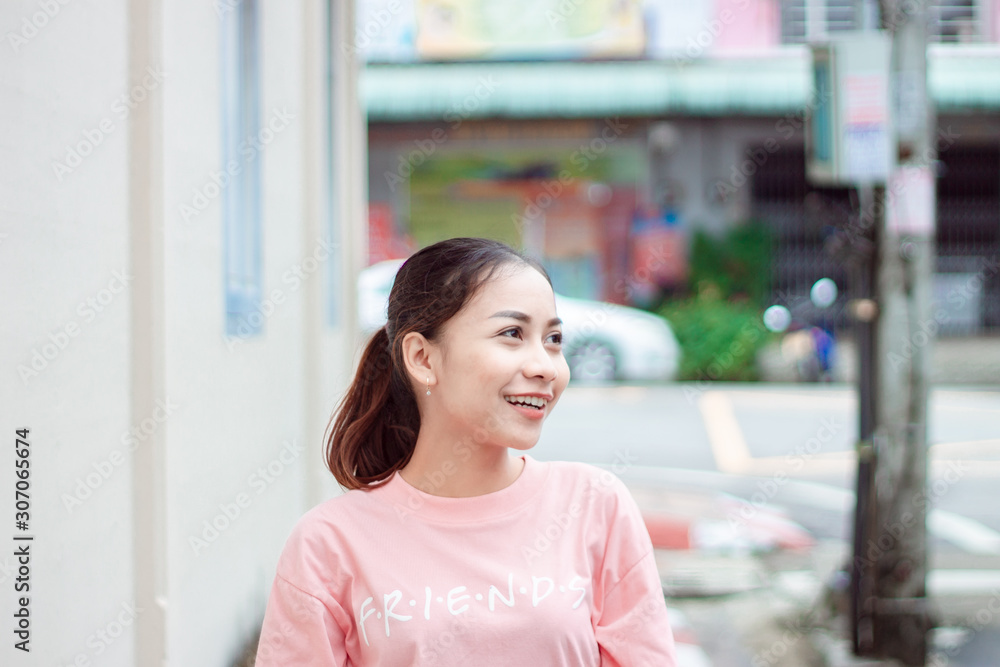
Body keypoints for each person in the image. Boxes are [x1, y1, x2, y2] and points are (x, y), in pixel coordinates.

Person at [254, 237, 677, 666]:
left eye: (553, 339)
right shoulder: (328, 543)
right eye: (512, 334)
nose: (545, 366)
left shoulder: (594, 505)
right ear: (422, 357)